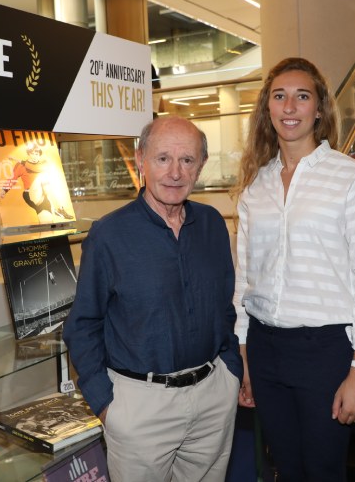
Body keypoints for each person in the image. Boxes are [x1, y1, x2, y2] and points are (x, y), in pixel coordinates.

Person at [232, 57, 355, 481]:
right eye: (279, 96)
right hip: (266, 350)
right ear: (267, 109)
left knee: (323, 471)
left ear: (319, 109)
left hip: (326, 352)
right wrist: (245, 358)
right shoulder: (255, 188)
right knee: (285, 468)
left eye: (302, 96)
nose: (289, 106)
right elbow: (243, 282)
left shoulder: (350, 178)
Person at [63, 117, 242, 481]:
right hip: (139, 407)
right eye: (163, 159)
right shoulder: (109, 235)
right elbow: (83, 326)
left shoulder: (212, 225)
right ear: (140, 159)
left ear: (201, 165)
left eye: (187, 160)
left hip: (213, 398)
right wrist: (107, 405)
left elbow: (224, 306)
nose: (175, 172)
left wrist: (231, 372)